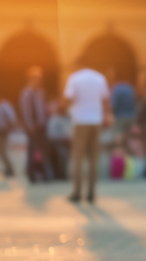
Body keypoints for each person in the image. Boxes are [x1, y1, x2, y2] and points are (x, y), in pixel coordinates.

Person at [63, 62, 110, 203]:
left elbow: (68, 98)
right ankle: (91, 193)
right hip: (96, 121)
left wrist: (62, 109)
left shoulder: (74, 78)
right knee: (93, 159)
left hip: (80, 120)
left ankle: (77, 192)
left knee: (77, 158)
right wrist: (106, 116)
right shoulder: (100, 78)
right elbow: (106, 101)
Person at [20, 66, 52, 182]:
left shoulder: (41, 92)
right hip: (32, 127)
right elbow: (26, 110)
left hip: (42, 126)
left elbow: (42, 108)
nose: (38, 82)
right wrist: (30, 125)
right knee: (32, 150)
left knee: (42, 150)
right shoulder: (26, 93)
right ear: (30, 79)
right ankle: (31, 174)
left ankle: (43, 173)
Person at [46, 100, 73, 180]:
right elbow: (51, 135)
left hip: (69, 143)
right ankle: (62, 176)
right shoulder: (54, 119)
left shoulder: (69, 118)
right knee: (63, 154)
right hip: (57, 143)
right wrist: (63, 139)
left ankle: (69, 175)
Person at [0, 98, 17, 177]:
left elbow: (12, 118)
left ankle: (10, 169)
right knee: (2, 152)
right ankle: (9, 168)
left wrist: (10, 128)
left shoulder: (5, 105)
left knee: (3, 151)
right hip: (2, 130)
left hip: (3, 131)